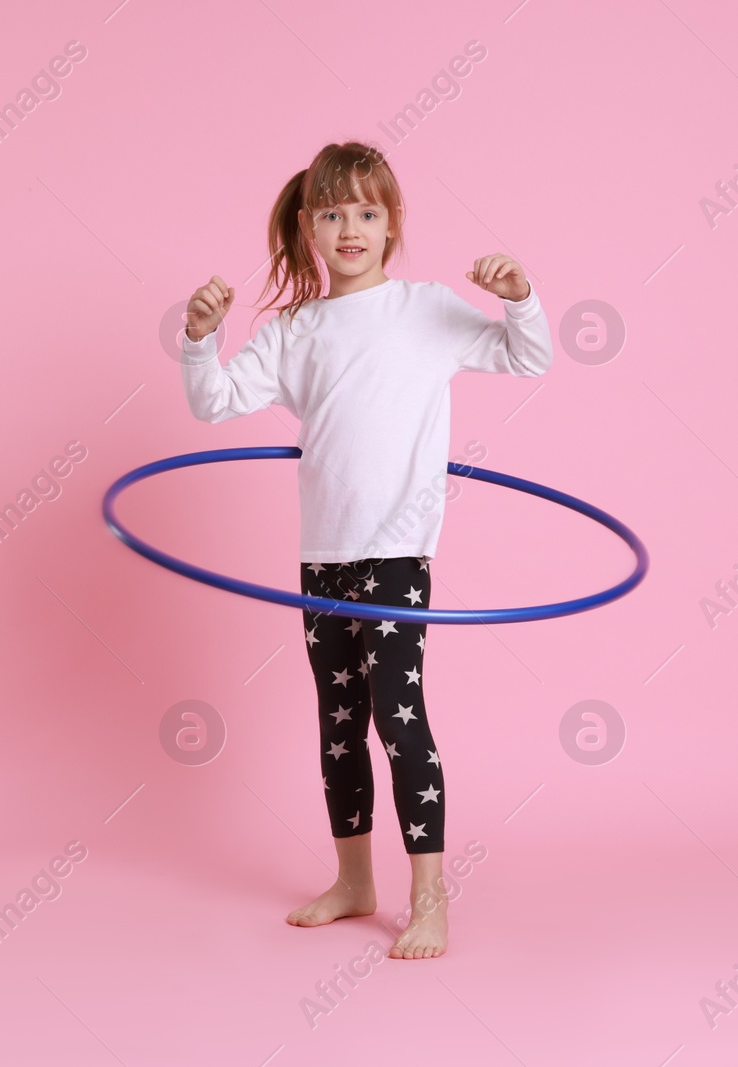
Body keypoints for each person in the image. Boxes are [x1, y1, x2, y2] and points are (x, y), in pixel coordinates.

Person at [176, 141, 552, 959]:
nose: (352, 227)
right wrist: (200, 338)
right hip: (322, 561)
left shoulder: (426, 309)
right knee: (338, 725)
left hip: (396, 556)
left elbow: (529, 355)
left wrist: (520, 296)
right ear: (309, 225)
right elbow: (214, 405)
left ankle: (430, 895)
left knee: (398, 716)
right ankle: (354, 880)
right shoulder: (296, 330)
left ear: (392, 225)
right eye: (335, 211)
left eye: (369, 212)